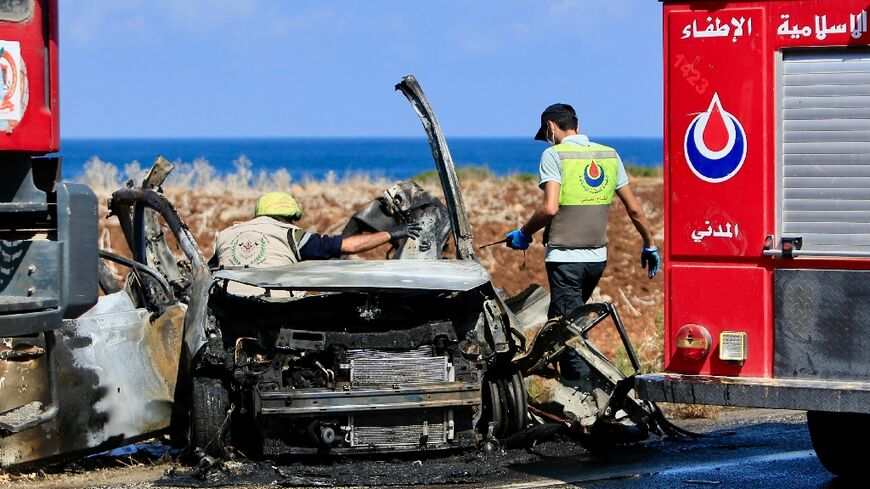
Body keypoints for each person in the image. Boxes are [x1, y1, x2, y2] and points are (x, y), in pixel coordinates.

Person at [505, 103, 660, 321]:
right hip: (596, 260)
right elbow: (634, 209)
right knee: (563, 322)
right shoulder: (610, 155)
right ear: (577, 126)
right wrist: (649, 245)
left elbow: (549, 208)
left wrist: (524, 233)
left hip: (566, 258)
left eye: (547, 134)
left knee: (568, 333)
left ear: (550, 126)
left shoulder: (554, 155)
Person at [212, 191, 421, 269]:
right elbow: (346, 246)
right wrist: (393, 233)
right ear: (290, 217)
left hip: (230, 308)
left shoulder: (226, 234)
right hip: (270, 308)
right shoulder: (289, 234)